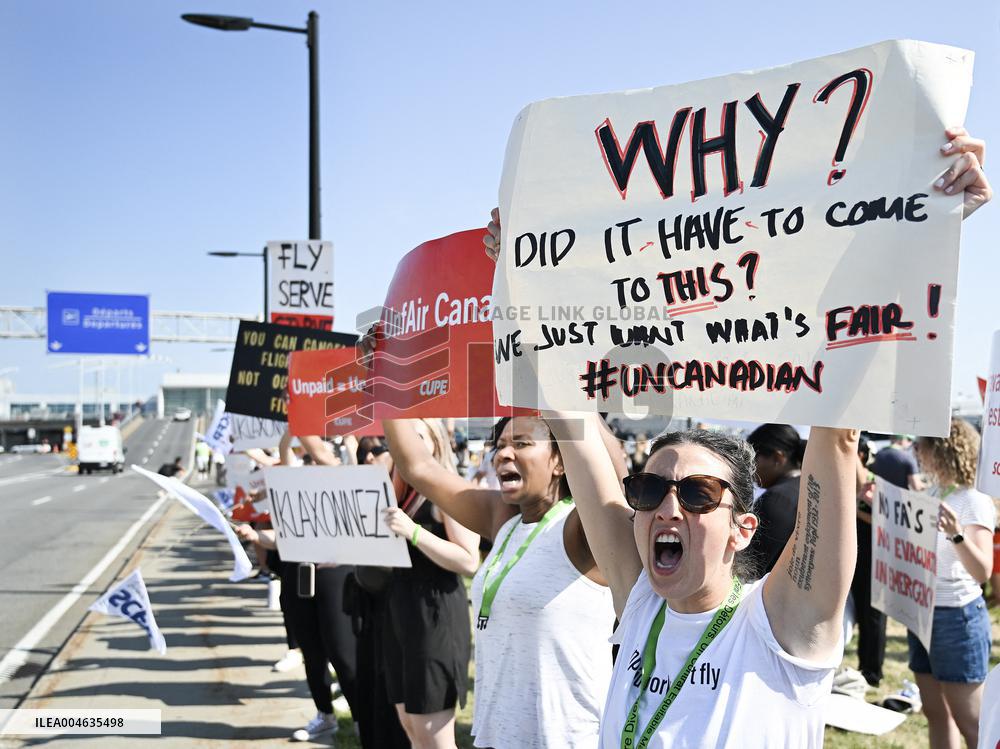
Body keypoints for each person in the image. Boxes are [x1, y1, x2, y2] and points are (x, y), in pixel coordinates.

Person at [482, 125, 991, 748]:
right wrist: (518, 276)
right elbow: (568, 414)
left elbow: (834, 435)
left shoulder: (782, 627)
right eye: (648, 490)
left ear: (742, 528)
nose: (668, 506)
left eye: (697, 494)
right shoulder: (640, 601)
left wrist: (924, 228)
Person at [382, 414, 621, 749]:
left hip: (567, 737)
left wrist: (572, 393)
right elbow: (418, 467)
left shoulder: (582, 528)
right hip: (497, 735)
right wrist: (385, 385)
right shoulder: (504, 519)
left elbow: (612, 473)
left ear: (560, 462)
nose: (503, 454)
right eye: (500, 445)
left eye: (521, 444)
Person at [379, 419, 479, 749]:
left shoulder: (448, 488)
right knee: (409, 724)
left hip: (434, 616)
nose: (403, 443)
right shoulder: (393, 490)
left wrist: (415, 532)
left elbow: (469, 560)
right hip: (399, 611)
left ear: (435, 443)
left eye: (415, 436)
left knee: (433, 735)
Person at [910, 418, 995, 749]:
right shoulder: (932, 492)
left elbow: (983, 571)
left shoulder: (973, 500)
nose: (917, 451)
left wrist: (956, 534)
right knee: (936, 712)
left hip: (956, 618)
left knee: (971, 723)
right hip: (922, 611)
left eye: (922, 445)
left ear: (943, 449)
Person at [744, 424, 805, 576]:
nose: (750, 469)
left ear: (777, 458)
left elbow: (752, 565)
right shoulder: (809, 488)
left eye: (753, 460)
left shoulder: (777, 499)